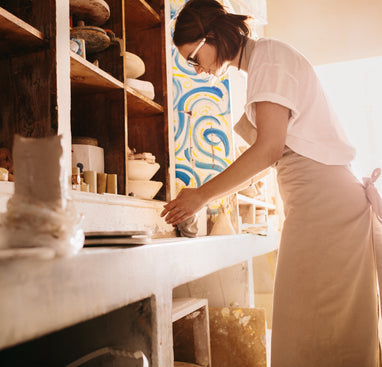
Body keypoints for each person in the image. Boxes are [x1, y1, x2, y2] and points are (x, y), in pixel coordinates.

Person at [161, 0, 381, 365]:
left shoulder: (268, 58)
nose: (197, 69)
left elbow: (268, 150)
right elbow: (274, 155)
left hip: (326, 206)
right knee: (310, 324)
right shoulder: (262, 62)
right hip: (318, 201)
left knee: (314, 326)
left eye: (194, 57)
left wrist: (200, 195)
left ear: (213, 36)